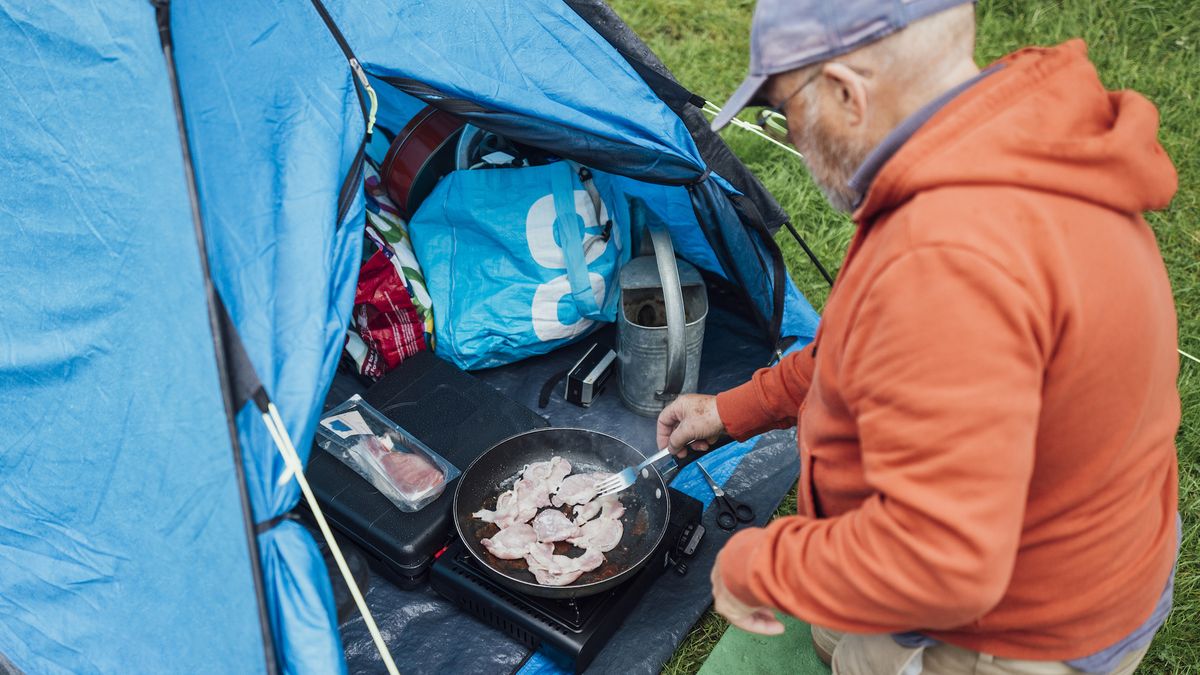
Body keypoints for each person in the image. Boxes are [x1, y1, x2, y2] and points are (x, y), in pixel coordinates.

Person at [656, 1, 1181, 673]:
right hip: (1099, 536)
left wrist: (757, 562)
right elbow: (866, 344)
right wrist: (733, 411)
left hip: (1015, 630)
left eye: (786, 109)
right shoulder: (1010, 138)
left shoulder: (946, 261)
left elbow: (942, 560)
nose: (789, 133)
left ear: (847, 92)